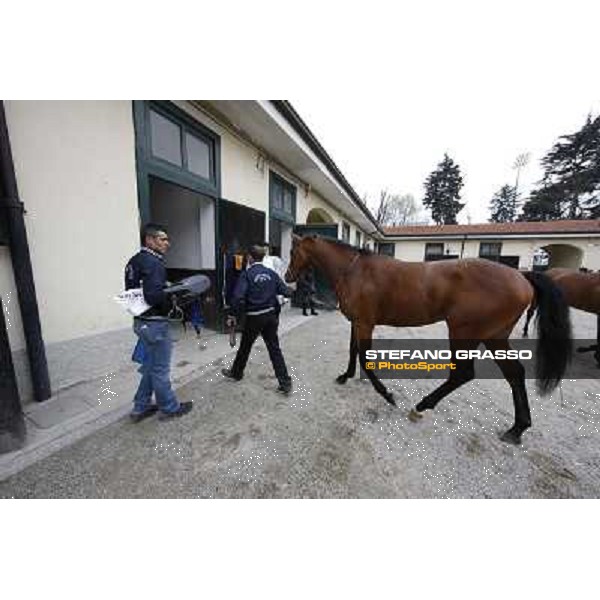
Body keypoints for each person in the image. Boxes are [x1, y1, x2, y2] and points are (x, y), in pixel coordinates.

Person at [124, 223, 193, 422]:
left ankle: (140, 407)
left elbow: (139, 291)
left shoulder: (134, 261)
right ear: (149, 240)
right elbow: (154, 296)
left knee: (150, 366)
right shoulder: (154, 263)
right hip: (155, 324)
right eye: (162, 239)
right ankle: (170, 407)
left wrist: (164, 286)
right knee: (160, 369)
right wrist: (174, 293)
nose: (167, 243)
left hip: (141, 322)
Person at [222, 245, 294, 394]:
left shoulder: (247, 274)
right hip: (270, 317)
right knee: (274, 349)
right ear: (263, 257)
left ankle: (236, 373)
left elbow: (237, 297)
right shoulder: (271, 274)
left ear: (250, 257)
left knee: (245, 347)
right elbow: (286, 291)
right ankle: (285, 383)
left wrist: (232, 315)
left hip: (254, 318)